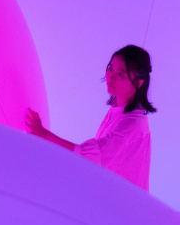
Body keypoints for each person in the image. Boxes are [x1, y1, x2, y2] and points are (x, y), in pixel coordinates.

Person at [24, 45, 154, 190]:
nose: (110, 76)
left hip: (123, 206)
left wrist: (45, 134)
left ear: (138, 82)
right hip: (108, 197)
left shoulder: (134, 123)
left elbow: (95, 156)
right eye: (110, 68)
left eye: (121, 74)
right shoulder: (119, 106)